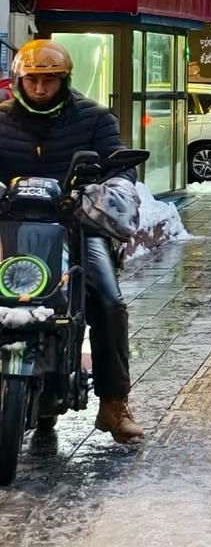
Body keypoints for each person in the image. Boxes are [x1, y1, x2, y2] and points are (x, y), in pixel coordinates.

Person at [0, 39, 142, 444]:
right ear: (19, 80)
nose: (41, 88)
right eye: (33, 80)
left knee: (109, 300)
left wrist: (105, 190)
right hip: (9, 225)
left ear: (64, 80)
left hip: (77, 225)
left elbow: (119, 166)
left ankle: (114, 404)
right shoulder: (2, 119)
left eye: (50, 80)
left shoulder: (94, 117)